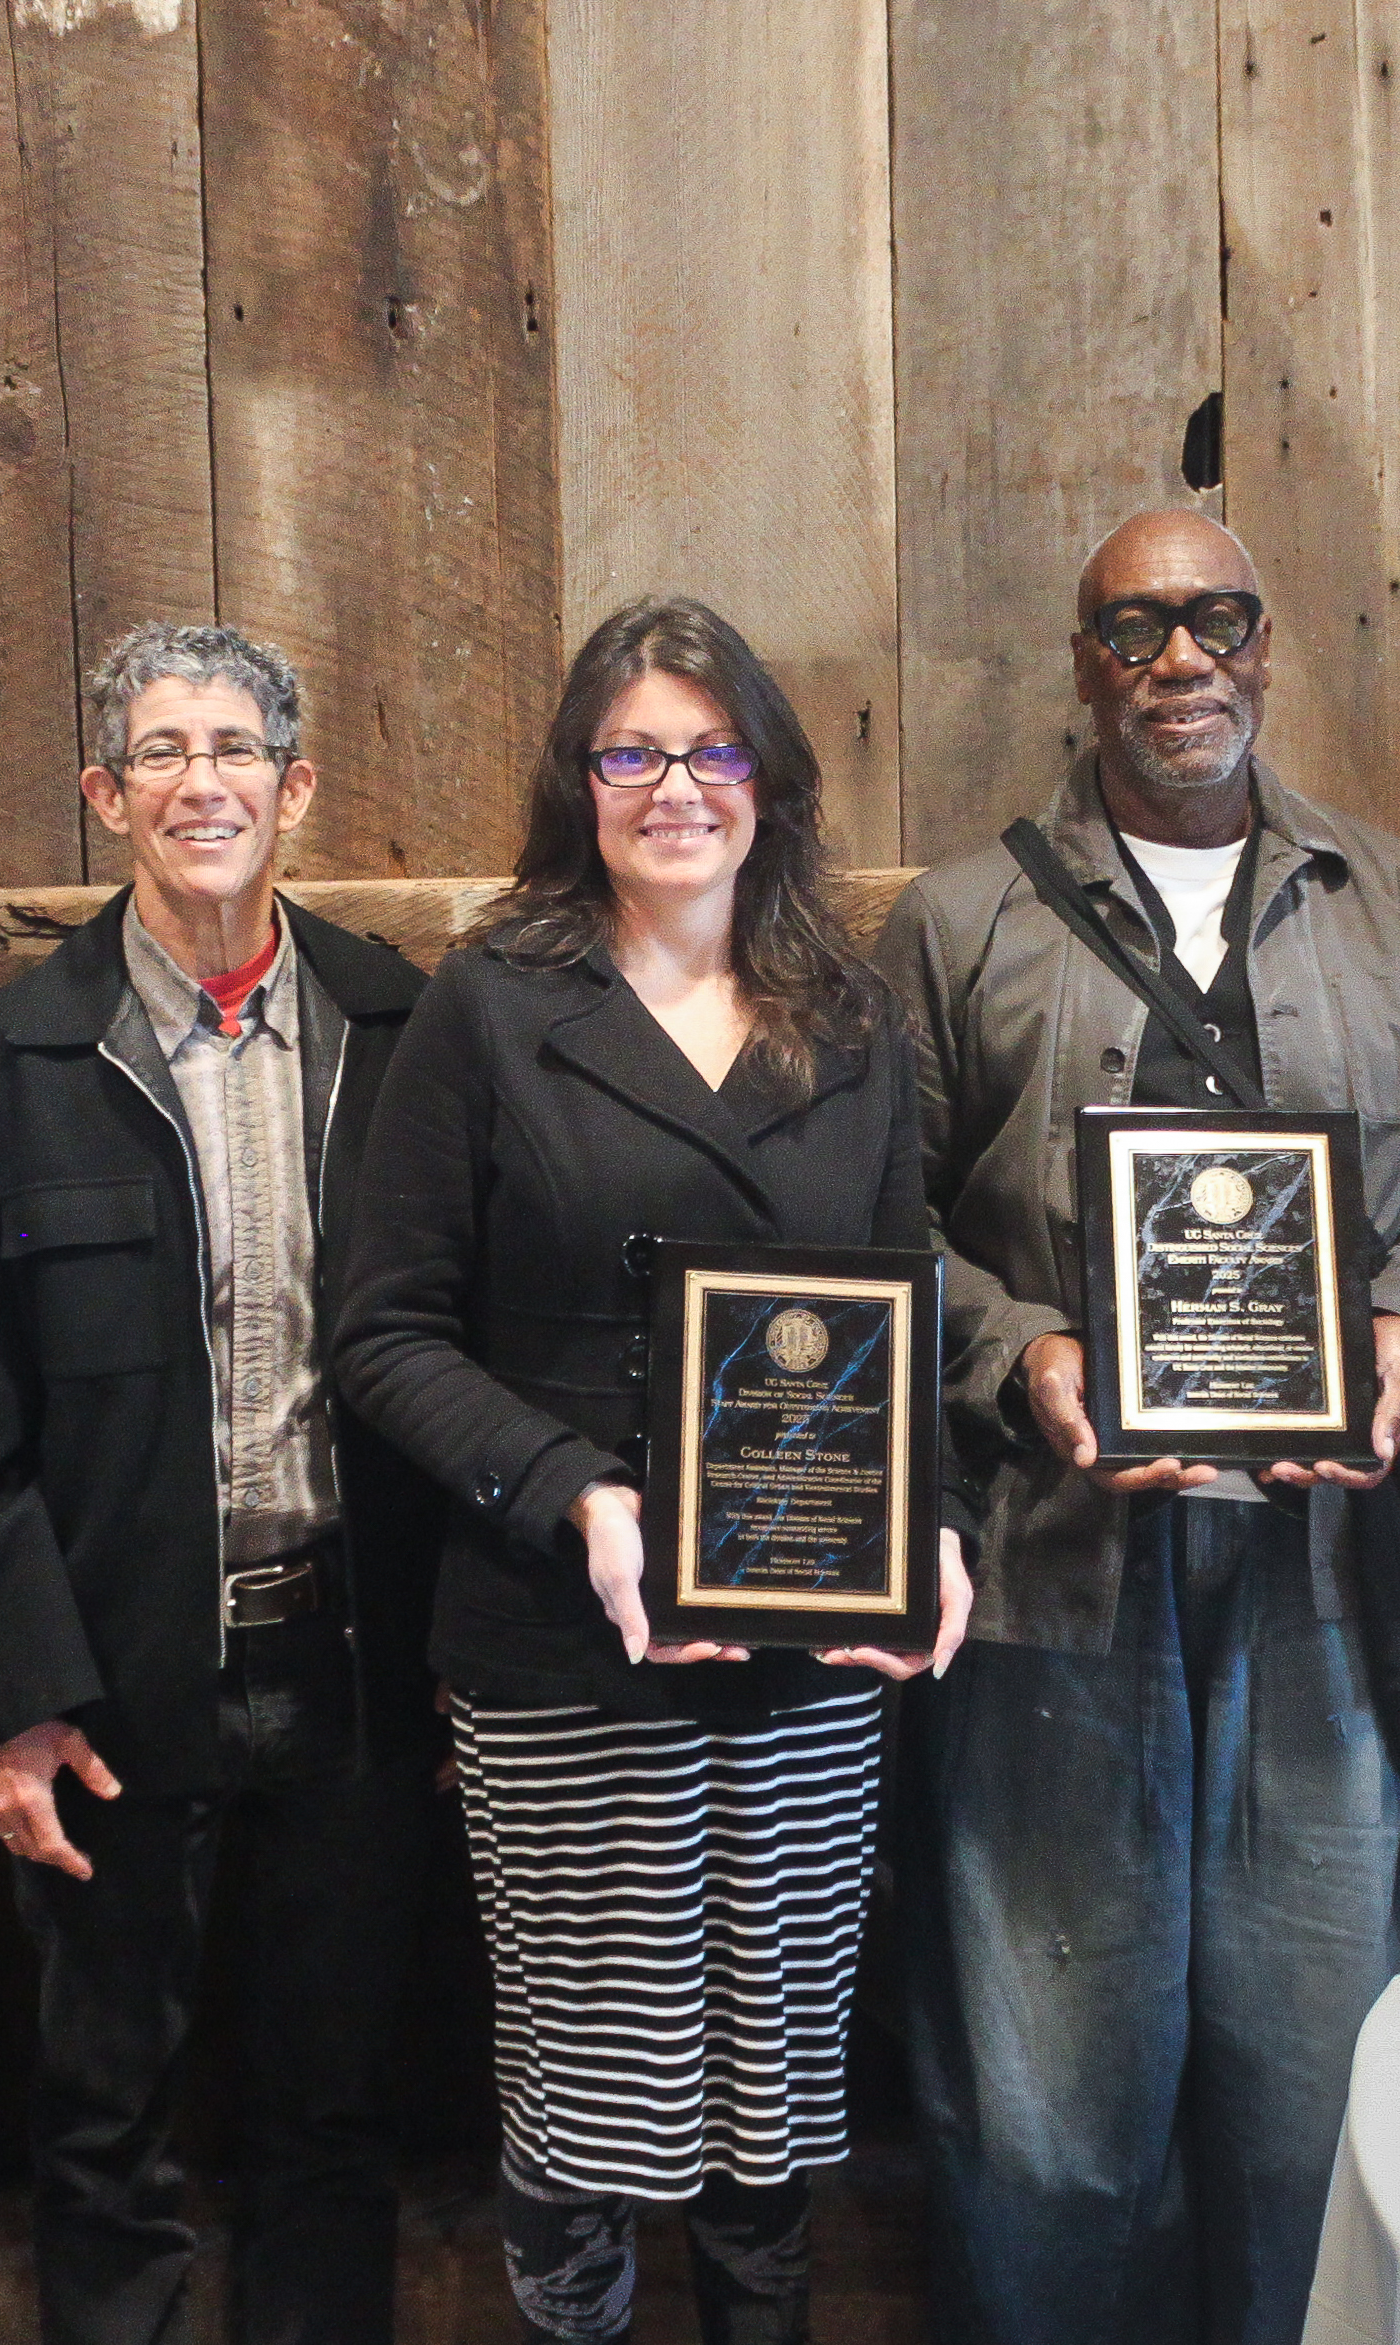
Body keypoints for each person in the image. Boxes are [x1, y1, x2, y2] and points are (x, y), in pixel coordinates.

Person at [872, 510, 1400, 2345]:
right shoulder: (959, 916)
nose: (1180, 659)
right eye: (1135, 626)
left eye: (1215, 617)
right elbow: (886, 1228)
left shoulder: (1393, 899)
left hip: (1326, 1572)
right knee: (1052, 2123)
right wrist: (1027, 1361)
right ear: (1085, 663)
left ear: (1264, 638)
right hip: (1054, 1582)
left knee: (1316, 2097)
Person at [329, 597, 972, 2345]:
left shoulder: (853, 1015)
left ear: (767, 774)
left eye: (710, 748)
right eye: (631, 751)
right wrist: (575, 1497)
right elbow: (383, 1333)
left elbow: (902, 1310)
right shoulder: (493, 1000)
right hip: (560, 1639)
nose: (674, 785)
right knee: (586, 2108)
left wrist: (932, 1520)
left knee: (773, 2115)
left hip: (804, 1641)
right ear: (579, 779)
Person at [0, 621, 444, 2344]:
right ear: (105, 796)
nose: (198, 781)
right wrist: (12, 1702)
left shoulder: (399, 1027)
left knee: (335, 2120)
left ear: (294, 789)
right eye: (160, 751)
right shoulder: (13, 1062)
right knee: (102, 2122)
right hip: (111, 1689)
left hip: (352, 1669)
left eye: (233, 750)